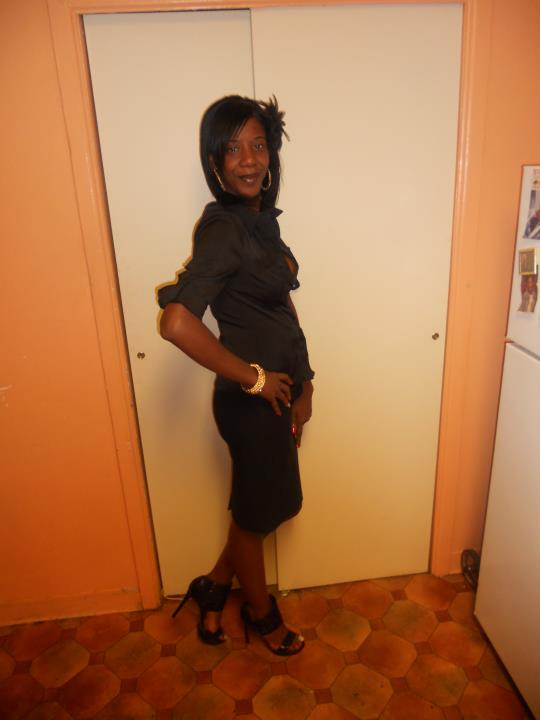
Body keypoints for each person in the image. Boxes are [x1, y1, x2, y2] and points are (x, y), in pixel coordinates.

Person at [157, 95, 314, 656]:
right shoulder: (224, 227)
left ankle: (214, 587)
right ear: (215, 161)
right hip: (250, 405)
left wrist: (306, 382)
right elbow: (177, 323)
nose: (249, 160)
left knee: (261, 509)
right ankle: (262, 615)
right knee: (256, 515)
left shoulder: (259, 221)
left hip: (279, 395)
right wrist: (255, 379)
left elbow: (283, 308)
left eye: (258, 145)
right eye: (233, 148)